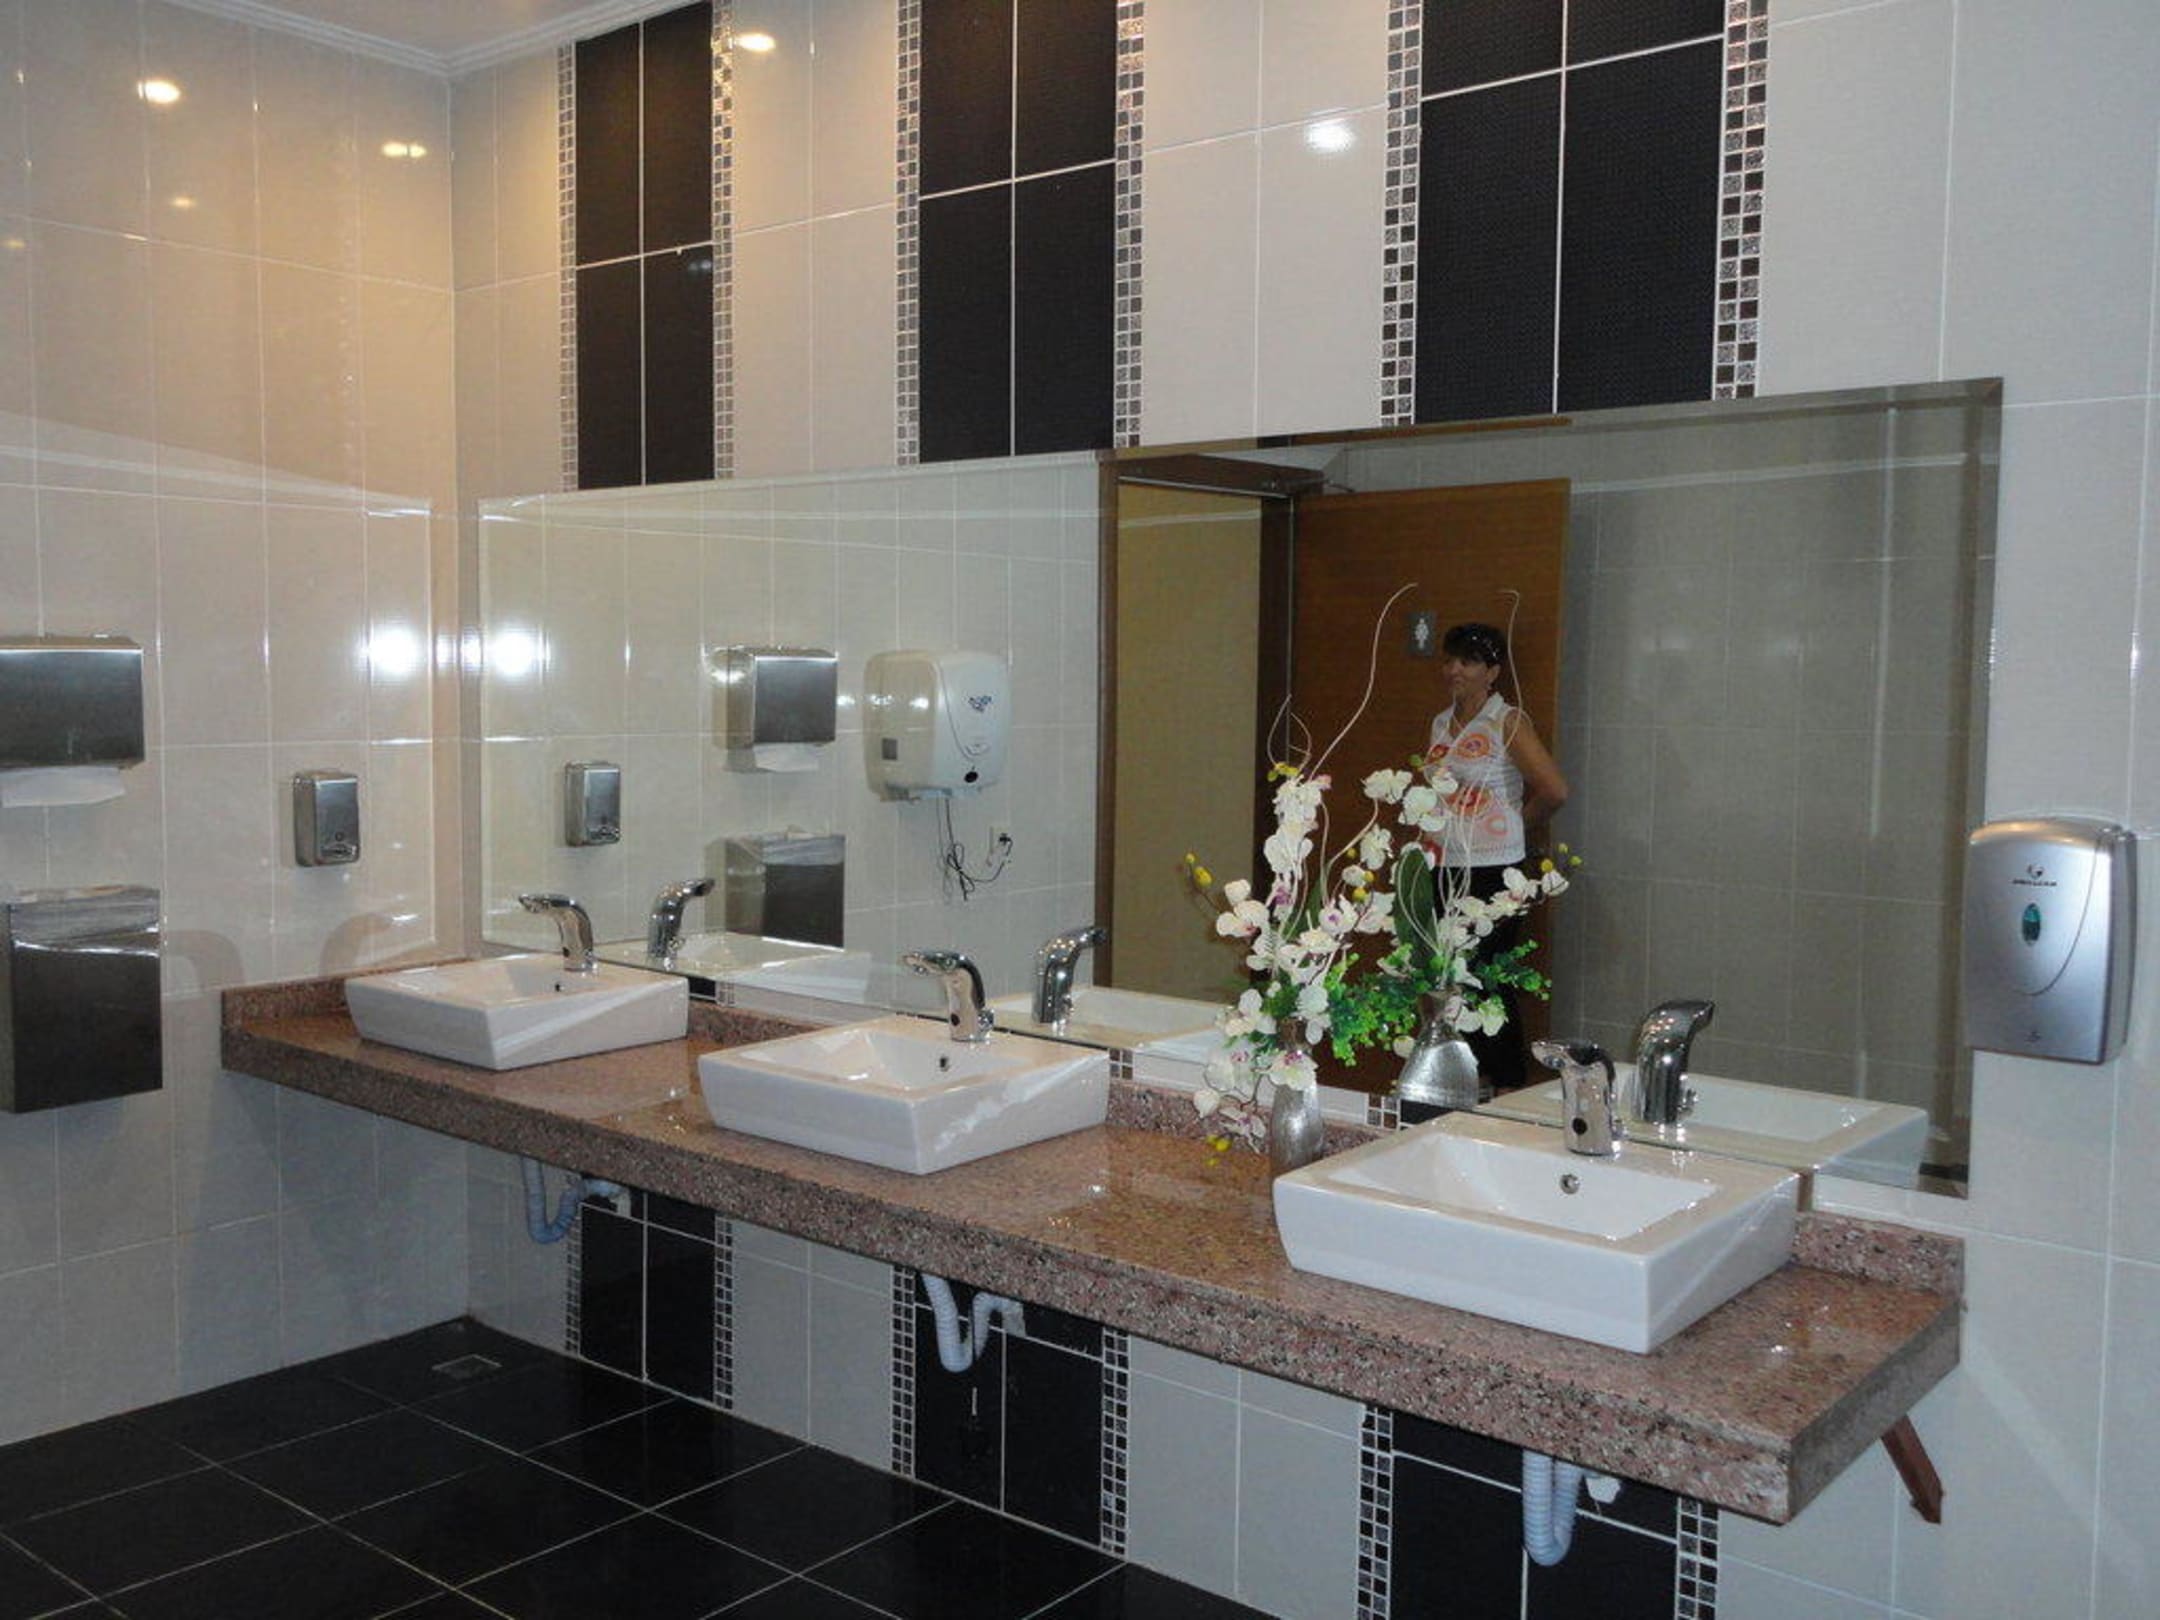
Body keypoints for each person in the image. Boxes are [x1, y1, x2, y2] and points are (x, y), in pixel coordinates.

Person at [1423, 622, 1570, 1093]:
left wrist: (1516, 825)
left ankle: (1508, 1082)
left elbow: (1554, 790)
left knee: (1487, 976)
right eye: (1449, 660)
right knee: (1451, 976)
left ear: (1492, 671)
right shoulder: (1441, 723)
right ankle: (1471, 1079)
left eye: (1467, 661)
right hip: (1444, 865)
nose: (1454, 670)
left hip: (1494, 870)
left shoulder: (1506, 720)